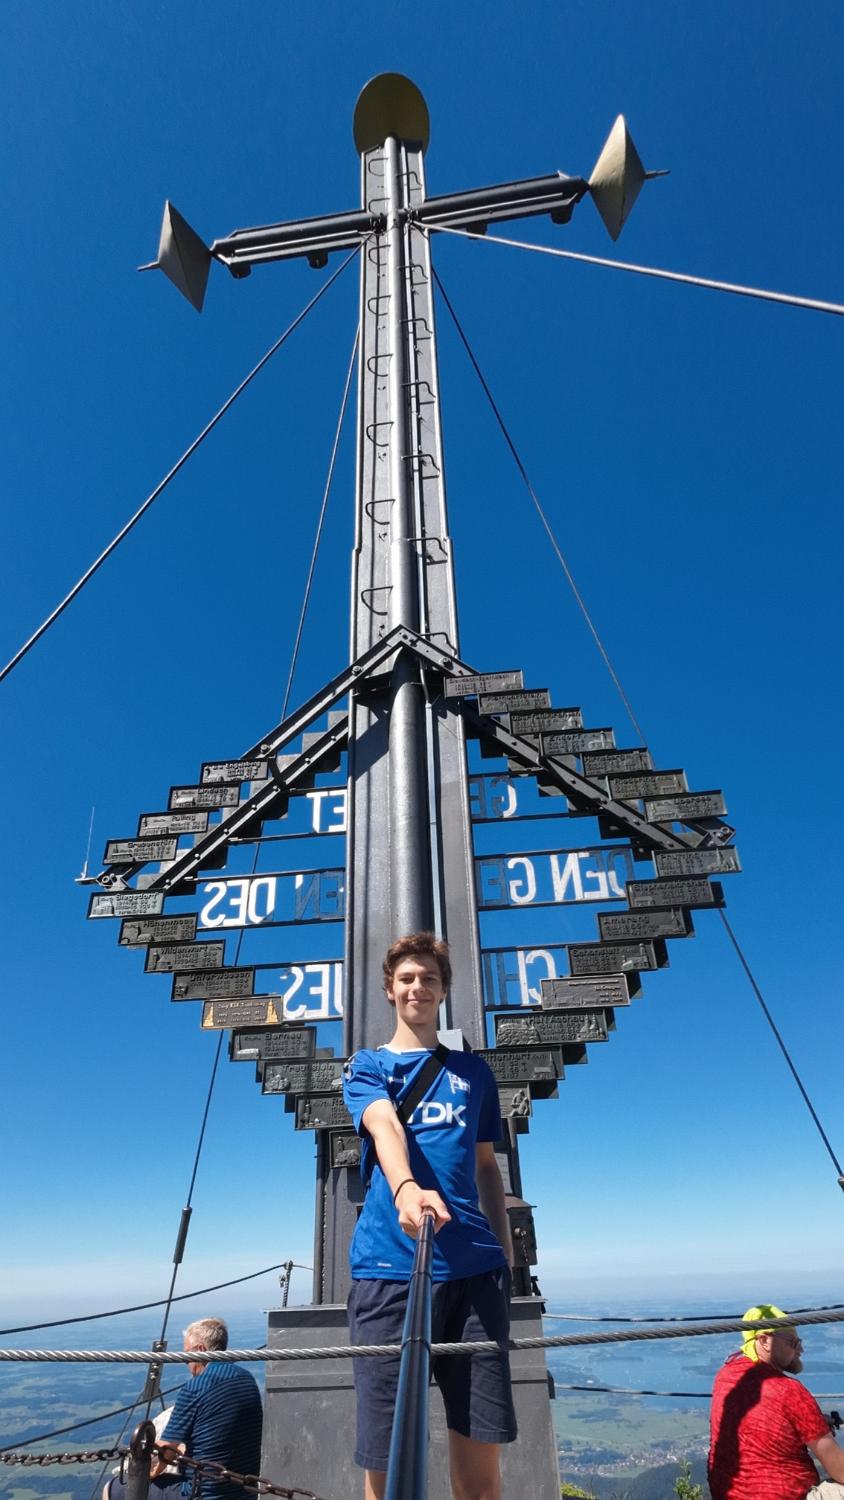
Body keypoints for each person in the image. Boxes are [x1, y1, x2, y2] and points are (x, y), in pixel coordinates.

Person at [342, 931, 517, 1500]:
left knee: (481, 1479)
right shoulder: (367, 1066)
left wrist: (506, 1257)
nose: (417, 987)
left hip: (474, 1275)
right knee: (389, 1470)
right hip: (390, 1273)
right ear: (389, 990)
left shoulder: (474, 1073)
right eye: (407, 978)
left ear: (443, 992)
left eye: (429, 979)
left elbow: (486, 1166)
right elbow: (384, 1125)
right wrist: (406, 1188)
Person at [104, 1318, 263, 1500]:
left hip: (201, 1495)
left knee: (113, 1489)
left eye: (187, 1356)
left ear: (200, 1350)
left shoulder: (196, 1387)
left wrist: (143, 1476)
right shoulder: (247, 1380)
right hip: (245, 1494)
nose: (186, 1362)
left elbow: (166, 1451)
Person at [709, 1303, 844, 1500]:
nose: (801, 1349)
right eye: (793, 1343)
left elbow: (760, 1419)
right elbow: (840, 1471)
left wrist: (811, 1421)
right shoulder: (789, 1390)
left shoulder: (725, 1376)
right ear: (765, 1341)